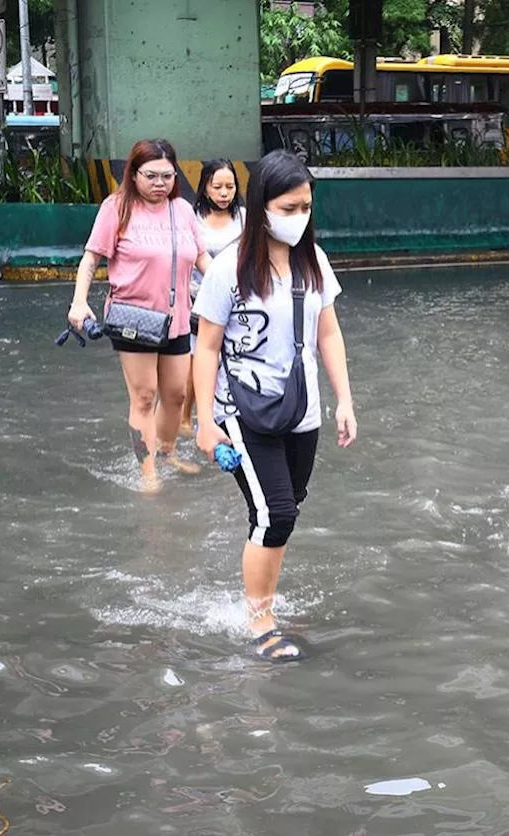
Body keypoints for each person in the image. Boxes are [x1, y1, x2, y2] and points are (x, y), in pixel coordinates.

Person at [192, 150, 357, 662]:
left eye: (306, 205)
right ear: (262, 205)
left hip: (301, 409)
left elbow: (327, 333)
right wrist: (204, 421)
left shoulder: (314, 260)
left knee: (285, 509)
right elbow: (207, 345)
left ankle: (265, 597)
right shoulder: (229, 267)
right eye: (289, 207)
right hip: (243, 409)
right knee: (274, 512)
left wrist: (345, 400)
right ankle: (259, 619)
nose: (300, 215)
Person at [66, 139, 212, 492]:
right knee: (144, 396)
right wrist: (78, 302)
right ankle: (149, 472)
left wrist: (234, 287)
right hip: (133, 318)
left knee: (176, 394)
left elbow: (203, 259)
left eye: (167, 176)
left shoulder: (182, 210)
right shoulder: (116, 208)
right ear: (133, 174)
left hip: (177, 316)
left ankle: (167, 450)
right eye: (151, 176)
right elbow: (91, 259)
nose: (160, 183)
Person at [181, 159, 246, 436]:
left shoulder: (245, 216)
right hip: (199, 300)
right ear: (205, 187)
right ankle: (185, 417)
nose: (224, 193)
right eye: (217, 186)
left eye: (229, 187)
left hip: (238, 297)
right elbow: (189, 257)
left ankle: (218, 415)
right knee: (198, 357)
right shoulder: (192, 217)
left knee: (228, 357)